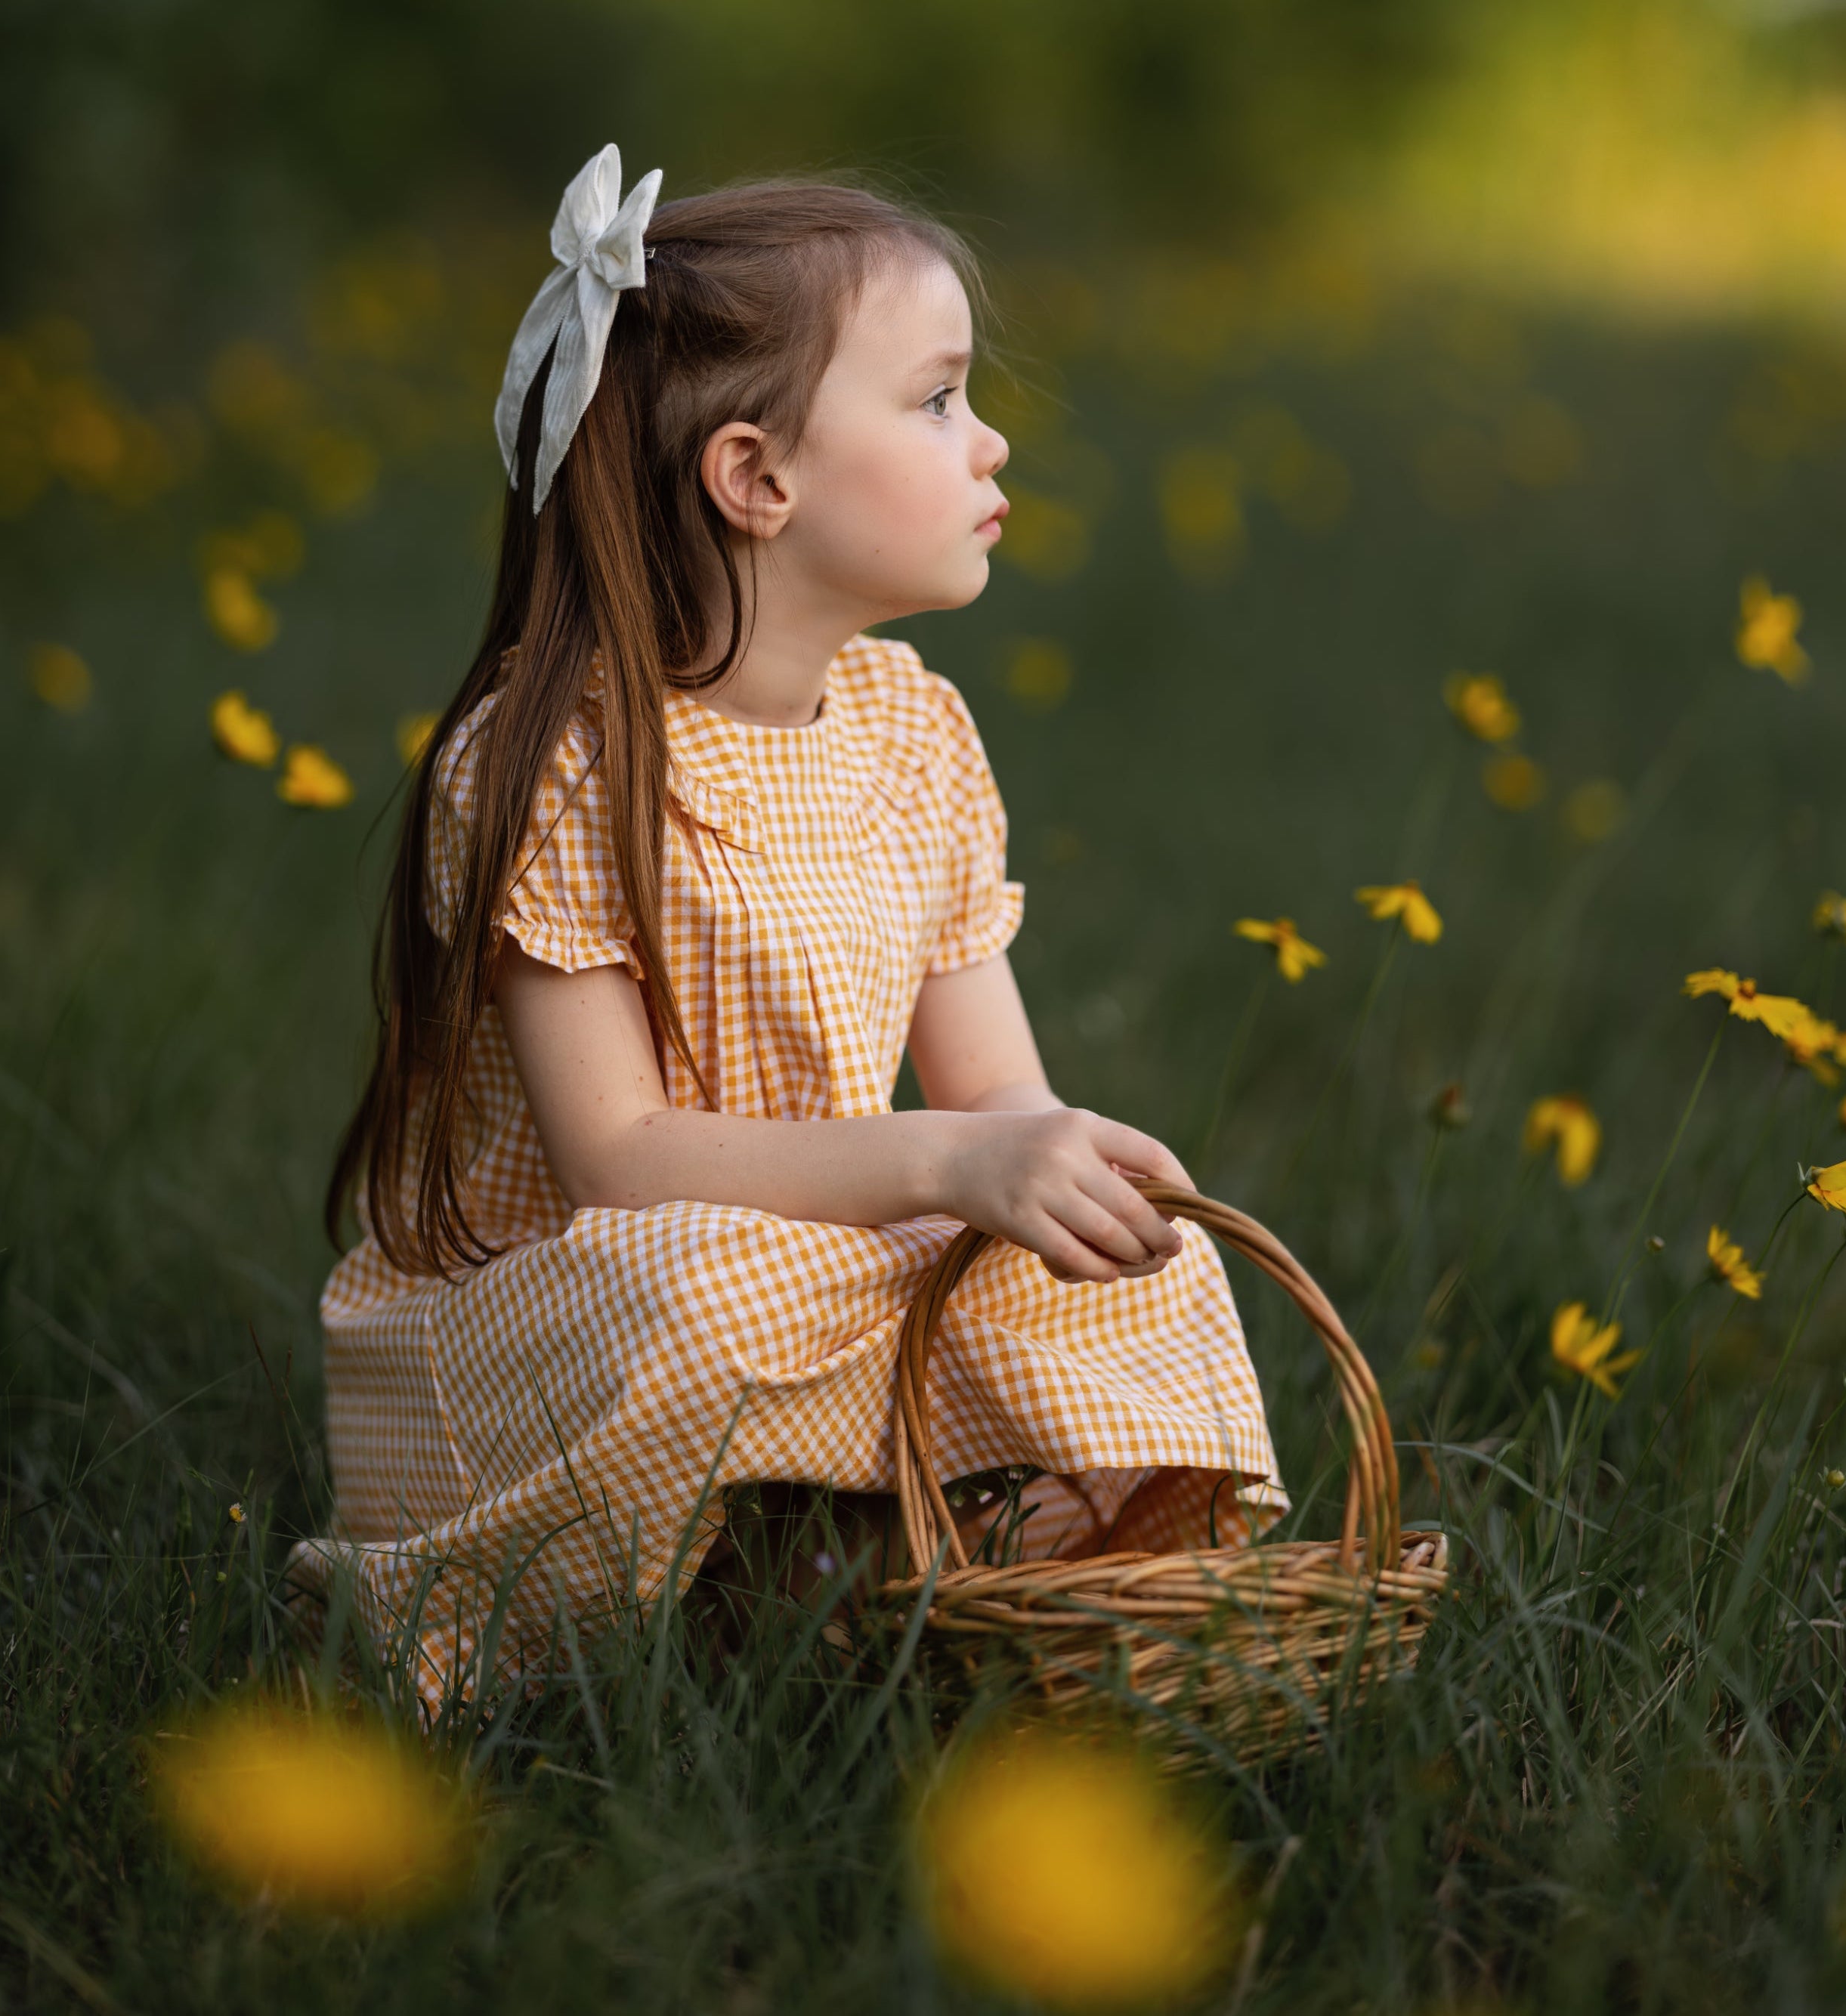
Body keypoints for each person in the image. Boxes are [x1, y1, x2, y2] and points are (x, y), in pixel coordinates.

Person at [295, 145, 1282, 1706]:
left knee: (1135, 1261)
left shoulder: (911, 732)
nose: (990, 436)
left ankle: (964, 1566)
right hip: (574, 1309)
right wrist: (950, 1166)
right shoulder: (553, 758)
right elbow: (617, 1163)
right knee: (692, 1276)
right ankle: (715, 1592)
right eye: (937, 399)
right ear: (757, 478)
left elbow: (991, 1095)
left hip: (821, 1253)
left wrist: (1050, 1154)